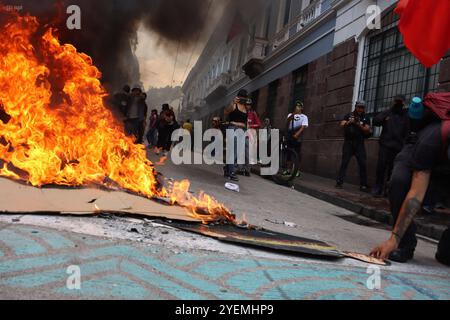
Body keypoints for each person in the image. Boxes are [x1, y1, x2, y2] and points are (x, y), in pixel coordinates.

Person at [370, 94, 450, 266]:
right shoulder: (431, 139)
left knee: (447, 256)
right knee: (400, 182)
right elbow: (416, 193)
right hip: (418, 152)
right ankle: (406, 243)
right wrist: (394, 238)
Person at [372, 95, 409, 197]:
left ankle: (388, 189)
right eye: (396, 102)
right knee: (381, 167)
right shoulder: (388, 112)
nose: (398, 104)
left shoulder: (405, 115)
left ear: (403, 103)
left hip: (397, 147)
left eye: (400, 102)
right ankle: (378, 187)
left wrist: (403, 144)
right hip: (385, 145)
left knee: (392, 169)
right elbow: (376, 121)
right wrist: (385, 117)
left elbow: (407, 131)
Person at [336, 101, 371, 192]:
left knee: (362, 164)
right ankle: (339, 182)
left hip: (359, 143)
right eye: (359, 107)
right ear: (356, 107)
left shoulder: (365, 117)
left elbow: (367, 129)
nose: (360, 109)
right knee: (344, 162)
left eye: (362, 107)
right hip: (348, 143)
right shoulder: (349, 115)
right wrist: (349, 122)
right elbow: (342, 124)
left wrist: (358, 123)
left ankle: (363, 185)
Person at [223, 89, 249, 181]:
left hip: (242, 130)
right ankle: (232, 172)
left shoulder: (246, 108)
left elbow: (246, 121)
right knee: (233, 152)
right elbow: (226, 112)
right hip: (233, 128)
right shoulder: (234, 105)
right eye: (242, 96)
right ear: (238, 96)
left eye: (245, 97)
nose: (243, 98)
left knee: (238, 152)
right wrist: (232, 103)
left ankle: (227, 168)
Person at [237, 99, 261, 177]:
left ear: (251, 106)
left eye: (249, 105)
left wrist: (251, 126)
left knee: (248, 154)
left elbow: (258, 124)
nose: (248, 106)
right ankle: (240, 169)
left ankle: (247, 170)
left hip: (249, 136)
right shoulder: (242, 112)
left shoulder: (253, 113)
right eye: (246, 104)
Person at [286, 101, 309, 177]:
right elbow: (287, 122)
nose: (297, 107)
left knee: (297, 154)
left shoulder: (304, 117)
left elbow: (303, 127)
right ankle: (288, 170)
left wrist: (297, 134)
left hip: (297, 136)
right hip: (290, 134)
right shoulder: (290, 114)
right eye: (296, 106)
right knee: (289, 153)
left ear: (302, 108)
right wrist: (293, 114)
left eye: (299, 106)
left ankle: (296, 171)